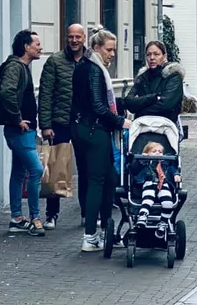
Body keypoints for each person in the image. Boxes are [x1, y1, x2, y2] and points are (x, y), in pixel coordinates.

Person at [71, 27, 132, 251]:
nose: (112, 54)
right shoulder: (95, 70)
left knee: (108, 179)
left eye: (114, 50)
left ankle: (106, 233)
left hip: (81, 129)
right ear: (97, 48)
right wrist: (119, 121)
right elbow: (97, 104)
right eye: (109, 49)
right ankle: (91, 237)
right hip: (94, 131)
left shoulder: (82, 67)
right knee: (99, 180)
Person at [0, 29, 45, 237]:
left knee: (19, 172)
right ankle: (35, 218)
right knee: (36, 170)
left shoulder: (21, 67)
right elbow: (7, 92)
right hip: (19, 130)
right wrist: (17, 119)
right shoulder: (15, 67)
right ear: (26, 47)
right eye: (37, 44)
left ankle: (16, 218)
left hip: (23, 129)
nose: (40, 47)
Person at [39, 24, 86, 230]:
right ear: (66, 38)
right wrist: (45, 125)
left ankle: (87, 212)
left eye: (78, 37)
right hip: (60, 123)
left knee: (86, 167)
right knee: (56, 167)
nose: (74, 40)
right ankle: (51, 214)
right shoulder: (55, 61)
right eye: (70, 36)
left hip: (84, 122)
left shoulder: (91, 60)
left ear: (84, 38)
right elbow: (45, 94)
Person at [125, 41, 184, 123]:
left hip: (166, 126)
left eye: (156, 54)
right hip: (143, 127)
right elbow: (129, 101)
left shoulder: (173, 76)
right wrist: (154, 98)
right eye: (148, 54)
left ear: (164, 56)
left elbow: (166, 105)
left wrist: (140, 111)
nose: (152, 58)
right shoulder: (142, 77)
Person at [130, 142, 181, 238]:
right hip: (149, 183)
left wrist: (176, 174)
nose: (158, 153)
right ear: (147, 153)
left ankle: (163, 223)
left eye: (160, 152)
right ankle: (143, 216)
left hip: (163, 184)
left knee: (168, 203)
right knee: (148, 199)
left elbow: (172, 169)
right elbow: (134, 170)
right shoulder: (144, 162)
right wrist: (142, 159)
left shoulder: (165, 163)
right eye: (154, 151)